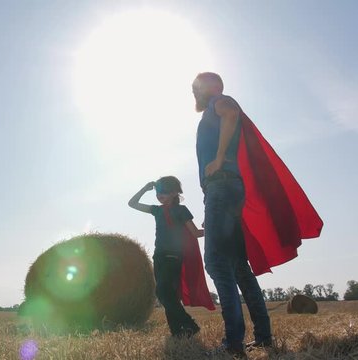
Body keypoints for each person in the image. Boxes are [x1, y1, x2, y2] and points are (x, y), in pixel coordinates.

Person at [193, 72, 323, 357]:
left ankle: (233, 342)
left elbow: (231, 114)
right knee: (239, 266)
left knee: (216, 262)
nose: (195, 92)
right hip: (224, 190)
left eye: (196, 87)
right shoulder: (212, 111)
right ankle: (263, 337)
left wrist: (217, 160)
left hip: (222, 186)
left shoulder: (220, 102)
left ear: (207, 88)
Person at [128, 176, 212, 338]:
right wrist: (145, 188)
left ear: (175, 193)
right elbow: (132, 204)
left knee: (162, 291)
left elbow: (195, 233)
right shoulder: (157, 210)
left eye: (164, 192)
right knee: (169, 295)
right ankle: (177, 332)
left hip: (173, 256)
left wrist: (211, 228)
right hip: (158, 256)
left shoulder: (182, 210)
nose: (160, 195)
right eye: (159, 192)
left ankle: (189, 324)